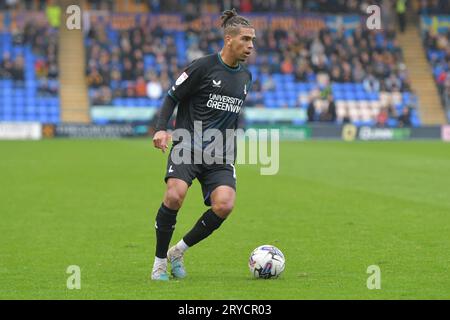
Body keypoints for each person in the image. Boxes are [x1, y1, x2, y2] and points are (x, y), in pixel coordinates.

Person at [150, 8, 254, 281]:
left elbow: (230, 116)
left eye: (252, 41)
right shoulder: (202, 67)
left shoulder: (246, 78)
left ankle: (178, 251)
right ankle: (160, 262)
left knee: (225, 205)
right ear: (229, 39)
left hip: (220, 152)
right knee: (174, 196)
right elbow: (172, 95)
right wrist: (161, 129)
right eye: (245, 39)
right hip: (188, 145)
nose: (250, 46)